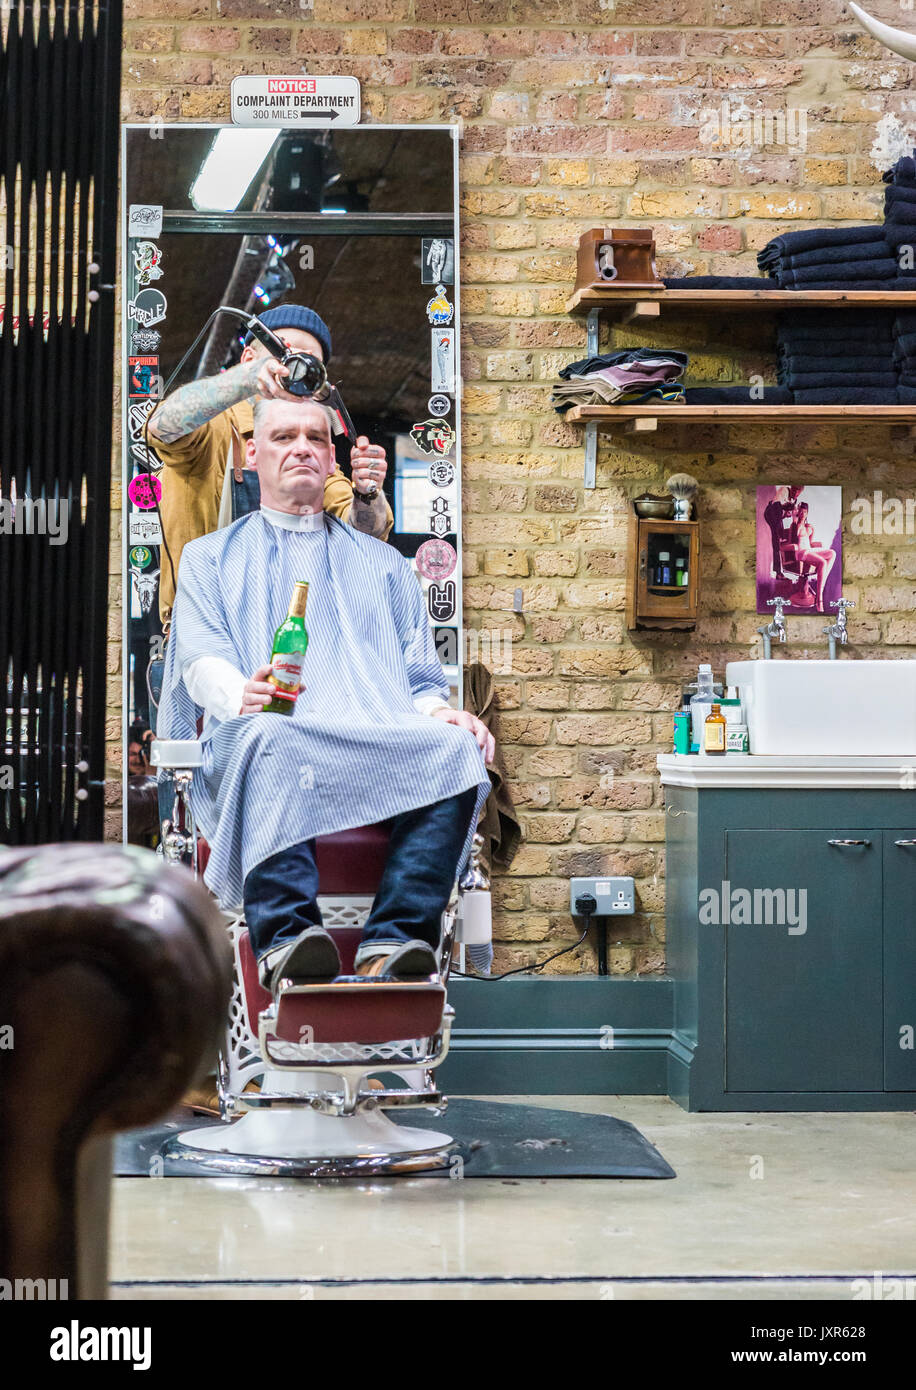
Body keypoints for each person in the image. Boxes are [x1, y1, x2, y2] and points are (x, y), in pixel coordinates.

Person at [156, 395, 493, 993]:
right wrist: (244, 694)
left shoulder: (385, 566)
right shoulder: (209, 558)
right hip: (272, 736)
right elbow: (201, 658)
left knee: (458, 752)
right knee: (269, 732)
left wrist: (445, 714)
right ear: (251, 455)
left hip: (368, 740)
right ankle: (287, 938)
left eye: (315, 437)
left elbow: (417, 680)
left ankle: (396, 937)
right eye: (284, 437)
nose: (302, 448)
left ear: (332, 457)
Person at [147, 304, 393, 625]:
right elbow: (162, 426)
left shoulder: (313, 453)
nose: (293, 371)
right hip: (206, 633)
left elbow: (365, 533)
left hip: (288, 639)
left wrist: (368, 494)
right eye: (285, 354)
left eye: (308, 363)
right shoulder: (214, 430)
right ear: (249, 358)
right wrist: (247, 380)